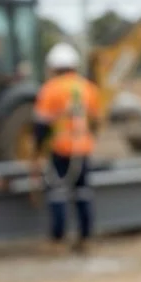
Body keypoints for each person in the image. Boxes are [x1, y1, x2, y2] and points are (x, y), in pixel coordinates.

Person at [33, 42, 102, 254]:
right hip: (83, 149)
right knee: (82, 193)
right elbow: (96, 120)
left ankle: (58, 239)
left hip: (61, 149)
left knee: (57, 194)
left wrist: (37, 150)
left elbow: (41, 124)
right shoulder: (88, 87)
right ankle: (86, 237)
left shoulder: (51, 89)